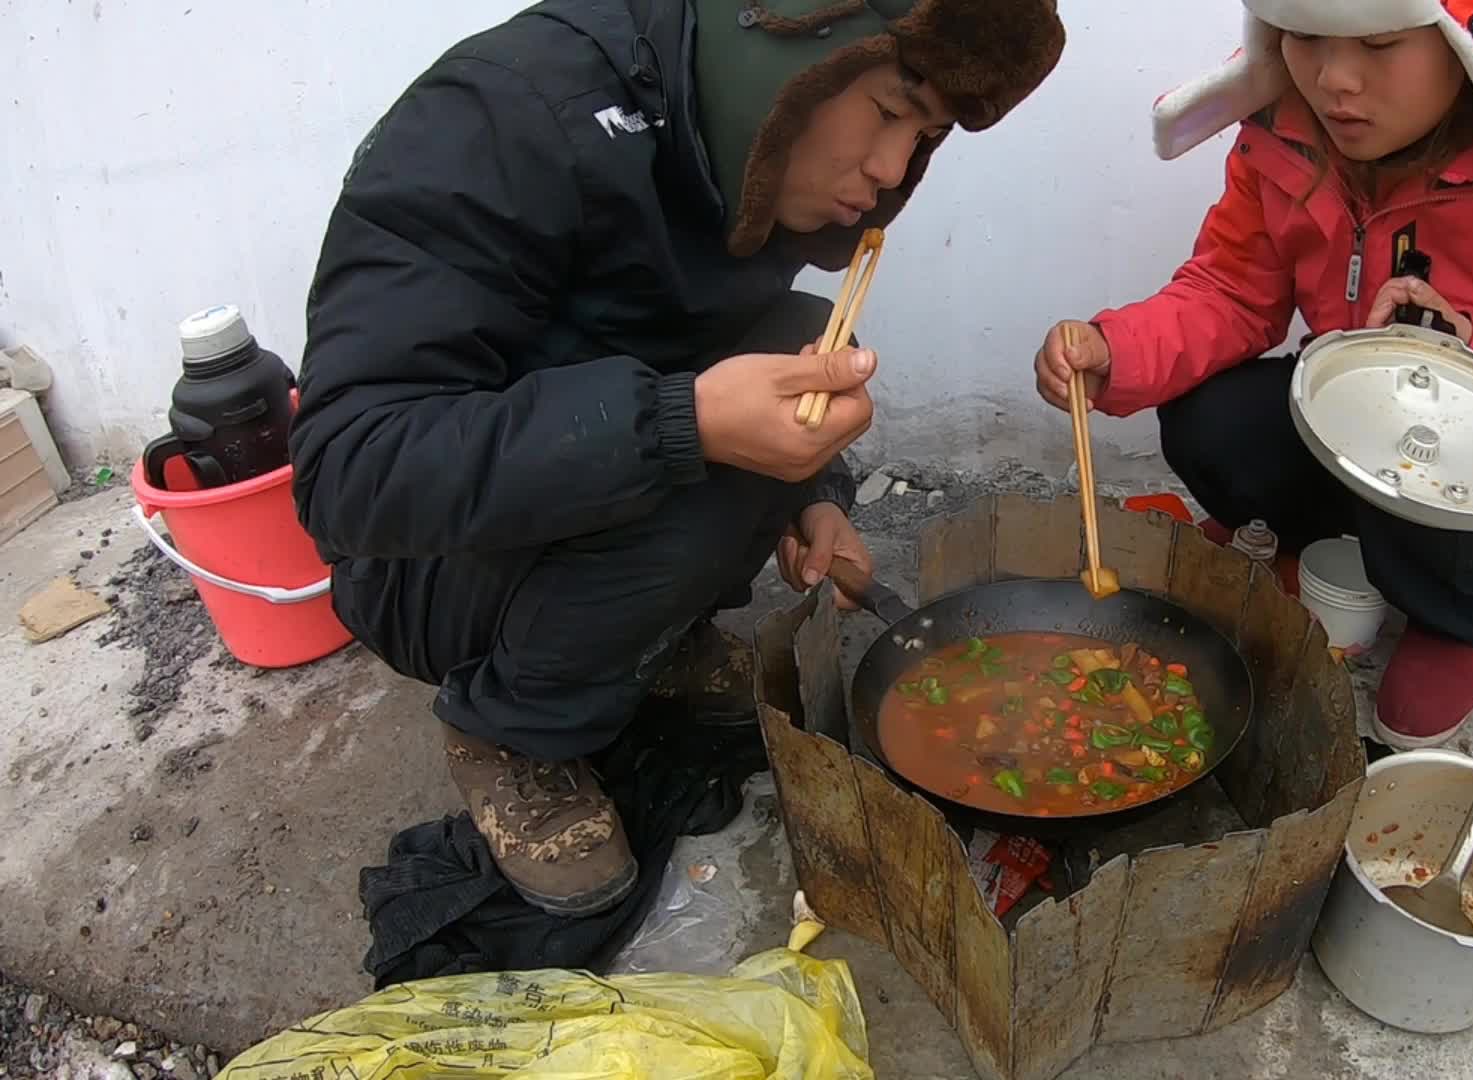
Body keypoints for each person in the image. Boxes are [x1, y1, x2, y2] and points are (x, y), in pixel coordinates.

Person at [292, 0, 1066, 917]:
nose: (892, 168)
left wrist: (809, 494)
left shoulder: (723, 133)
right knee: (716, 450)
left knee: (801, 341)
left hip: (564, 486)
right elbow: (350, 470)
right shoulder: (503, 115)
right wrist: (683, 422)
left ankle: (636, 639)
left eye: (926, 134)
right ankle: (511, 731)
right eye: (889, 110)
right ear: (792, 47)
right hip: (423, 568)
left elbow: (726, 345)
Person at [1033, 0, 1473, 751]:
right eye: (1307, 38)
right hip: (1357, 421)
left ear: (1464, 45)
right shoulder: (1287, 133)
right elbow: (1232, 292)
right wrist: (1116, 349)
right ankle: (1325, 548)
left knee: (1440, 469)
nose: (1334, 81)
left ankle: (1462, 617)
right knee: (1205, 422)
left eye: (1379, 44)